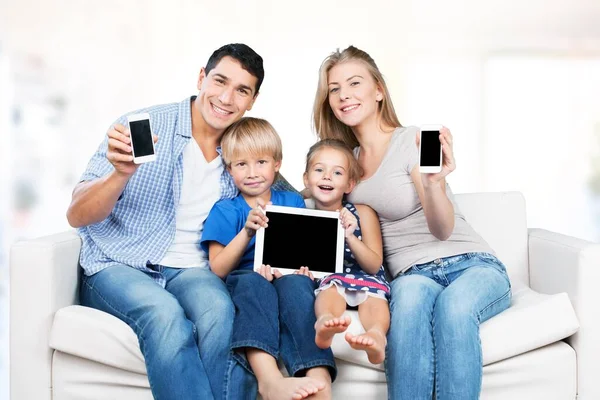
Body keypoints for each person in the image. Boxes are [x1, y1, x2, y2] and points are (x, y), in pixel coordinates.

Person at [66, 43, 294, 400]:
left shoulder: (242, 148)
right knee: (166, 317)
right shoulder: (145, 125)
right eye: (220, 81)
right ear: (202, 78)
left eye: (242, 90)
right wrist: (120, 174)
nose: (226, 97)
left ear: (252, 100)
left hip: (193, 269)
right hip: (118, 262)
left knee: (221, 313)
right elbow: (76, 214)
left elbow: (289, 197)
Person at [312, 45, 512, 399]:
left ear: (378, 91)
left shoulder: (412, 141)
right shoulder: (346, 163)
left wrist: (435, 185)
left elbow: (443, 229)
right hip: (410, 274)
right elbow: (311, 194)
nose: (344, 95)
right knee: (406, 313)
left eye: (354, 83)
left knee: (454, 309)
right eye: (334, 89)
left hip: (470, 262)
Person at [200, 117, 336, 400]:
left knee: (298, 286)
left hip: (285, 276)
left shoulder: (293, 202)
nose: (252, 172)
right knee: (254, 284)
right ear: (229, 169)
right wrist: (247, 232)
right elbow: (218, 268)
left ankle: (318, 375)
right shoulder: (226, 210)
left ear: (277, 164)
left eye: (261, 162)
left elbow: (303, 253)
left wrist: (301, 271)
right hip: (247, 277)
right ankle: (268, 378)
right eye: (241, 164)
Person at [302, 139, 390, 365]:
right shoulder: (301, 212)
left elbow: (373, 264)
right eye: (319, 170)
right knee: (331, 288)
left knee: (374, 297)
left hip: (366, 277)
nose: (327, 176)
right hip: (330, 280)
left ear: (349, 185)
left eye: (337, 173)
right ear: (306, 178)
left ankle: (376, 336)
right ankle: (326, 322)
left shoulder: (361, 212)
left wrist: (350, 235)